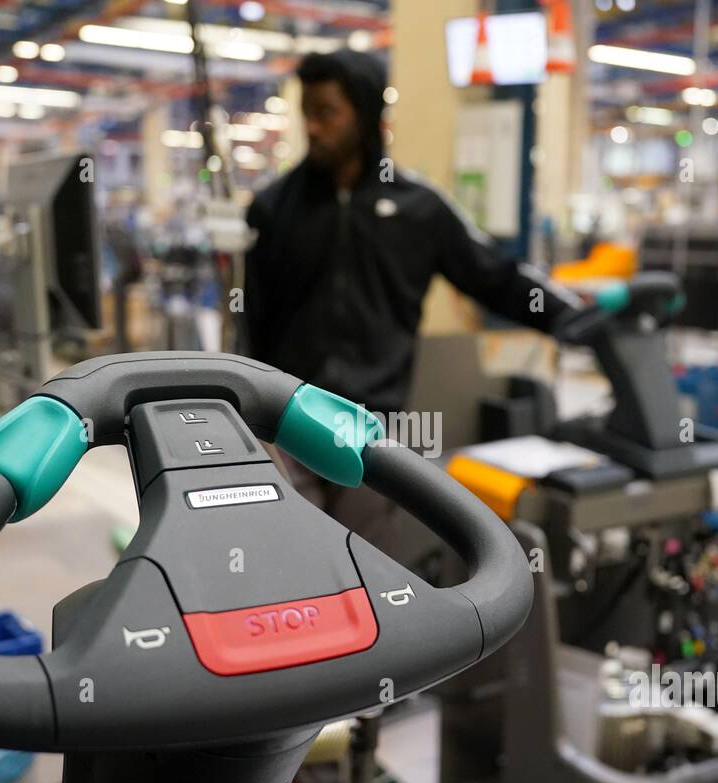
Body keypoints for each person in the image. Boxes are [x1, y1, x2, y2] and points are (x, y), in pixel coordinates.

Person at [244, 48, 581, 551]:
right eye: (307, 113)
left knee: (370, 574)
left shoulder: (418, 209)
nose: (312, 128)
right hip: (289, 427)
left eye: (327, 114)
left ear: (364, 115)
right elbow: (252, 323)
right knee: (298, 566)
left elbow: (494, 276)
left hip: (374, 430)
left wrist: (574, 321)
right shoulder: (274, 209)